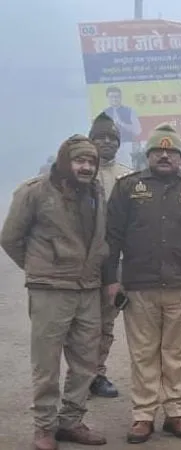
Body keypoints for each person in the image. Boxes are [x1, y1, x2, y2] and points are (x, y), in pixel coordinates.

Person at [104, 123, 181, 444]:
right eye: (158, 150)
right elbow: (112, 238)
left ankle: (175, 413)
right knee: (143, 352)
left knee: (177, 352)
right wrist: (110, 281)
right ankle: (143, 416)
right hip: (138, 285)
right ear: (148, 155)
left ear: (180, 157)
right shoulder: (127, 187)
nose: (164, 156)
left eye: (171, 152)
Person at [1, 135, 109, 449]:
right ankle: (44, 428)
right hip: (50, 290)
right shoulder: (34, 192)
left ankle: (71, 422)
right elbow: (10, 238)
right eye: (80, 161)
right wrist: (39, 270)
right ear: (65, 161)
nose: (86, 167)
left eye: (91, 162)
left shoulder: (96, 193)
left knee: (87, 362)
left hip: (87, 289)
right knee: (46, 364)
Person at [87, 112, 132, 398]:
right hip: (80, 265)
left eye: (112, 138)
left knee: (106, 322)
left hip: (115, 265)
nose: (106, 142)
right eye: (100, 137)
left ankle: (97, 374)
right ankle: (77, 376)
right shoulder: (77, 174)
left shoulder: (127, 177)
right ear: (90, 140)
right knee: (79, 325)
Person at [102, 86, 142, 167]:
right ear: (108, 98)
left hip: (127, 145)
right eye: (111, 97)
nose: (114, 99)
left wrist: (121, 123)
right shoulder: (104, 113)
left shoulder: (130, 111)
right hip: (110, 147)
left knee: (127, 169)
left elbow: (137, 131)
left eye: (116, 97)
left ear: (120, 97)